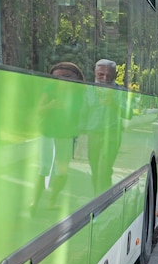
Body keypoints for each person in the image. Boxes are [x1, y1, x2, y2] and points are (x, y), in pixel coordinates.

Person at [31, 61, 85, 214]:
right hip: (48, 134)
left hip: (66, 136)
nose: (62, 80)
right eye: (58, 77)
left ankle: (51, 201)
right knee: (44, 169)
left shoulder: (78, 92)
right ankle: (34, 203)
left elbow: (81, 114)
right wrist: (51, 105)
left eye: (67, 77)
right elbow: (38, 110)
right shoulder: (50, 89)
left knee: (62, 172)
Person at [87, 59, 125, 194]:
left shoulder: (120, 91)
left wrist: (113, 104)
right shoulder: (88, 89)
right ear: (95, 73)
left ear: (114, 75)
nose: (104, 78)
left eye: (108, 75)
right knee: (95, 168)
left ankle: (103, 197)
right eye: (101, 74)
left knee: (104, 168)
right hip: (93, 133)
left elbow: (129, 113)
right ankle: (98, 196)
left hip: (113, 134)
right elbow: (82, 111)